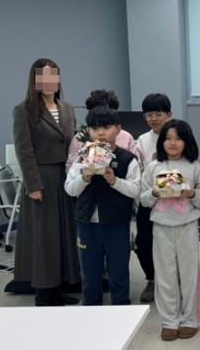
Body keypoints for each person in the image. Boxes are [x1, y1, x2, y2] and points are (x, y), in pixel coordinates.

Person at [12, 58, 79, 306]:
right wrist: (33, 185)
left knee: (63, 233)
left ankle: (59, 286)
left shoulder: (67, 108)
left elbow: (74, 142)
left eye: (54, 76)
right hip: (42, 178)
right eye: (44, 76)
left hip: (66, 176)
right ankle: (43, 290)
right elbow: (24, 150)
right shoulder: (23, 110)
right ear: (35, 80)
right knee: (44, 235)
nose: (50, 81)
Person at [64, 106, 141, 306]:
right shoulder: (82, 157)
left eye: (106, 127)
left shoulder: (127, 159)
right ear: (88, 131)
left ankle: (121, 308)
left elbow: (135, 190)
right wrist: (85, 177)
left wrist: (115, 181)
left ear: (118, 129)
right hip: (87, 225)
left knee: (118, 271)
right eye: (95, 128)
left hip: (116, 224)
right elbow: (70, 189)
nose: (100, 133)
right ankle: (91, 309)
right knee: (90, 273)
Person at [140, 120, 200, 341]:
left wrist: (191, 193)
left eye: (178, 138)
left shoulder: (195, 167)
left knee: (189, 275)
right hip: (161, 227)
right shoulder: (154, 167)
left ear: (187, 141)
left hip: (187, 226)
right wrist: (155, 193)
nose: (172, 143)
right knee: (164, 275)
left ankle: (190, 319)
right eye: (168, 138)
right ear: (161, 141)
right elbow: (143, 199)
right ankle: (169, 320)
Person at [135, 93, 173, 303]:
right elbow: (139, 170)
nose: (154, 118)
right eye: (149, 114)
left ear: (169, 114)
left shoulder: (178, 134)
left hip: (174, 200)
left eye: (158, 113)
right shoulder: (142, 140)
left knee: (170, 244)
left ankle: (173, 280)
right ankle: (151, 279)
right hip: (150, 199)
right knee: (143, 242)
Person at [66, 89, 138, 170]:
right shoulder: (79, 138)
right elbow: (70, 167)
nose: (101, 132)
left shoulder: (126, 137)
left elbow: (136, 165)